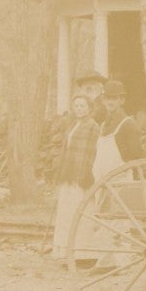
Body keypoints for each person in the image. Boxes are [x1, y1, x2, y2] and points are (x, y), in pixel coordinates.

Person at [50, 94, 100, 260]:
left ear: (89, 108)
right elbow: (66, 149)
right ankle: (64, 249)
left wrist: (87, 173)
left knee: (81, 211)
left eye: (83, 106)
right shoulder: (72, 125)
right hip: (68, 174)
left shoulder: (93, 126)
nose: (79, 109)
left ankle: (82, 251)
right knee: (66, 212)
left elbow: (93, 151)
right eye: (77, 106)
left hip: (82, 175)